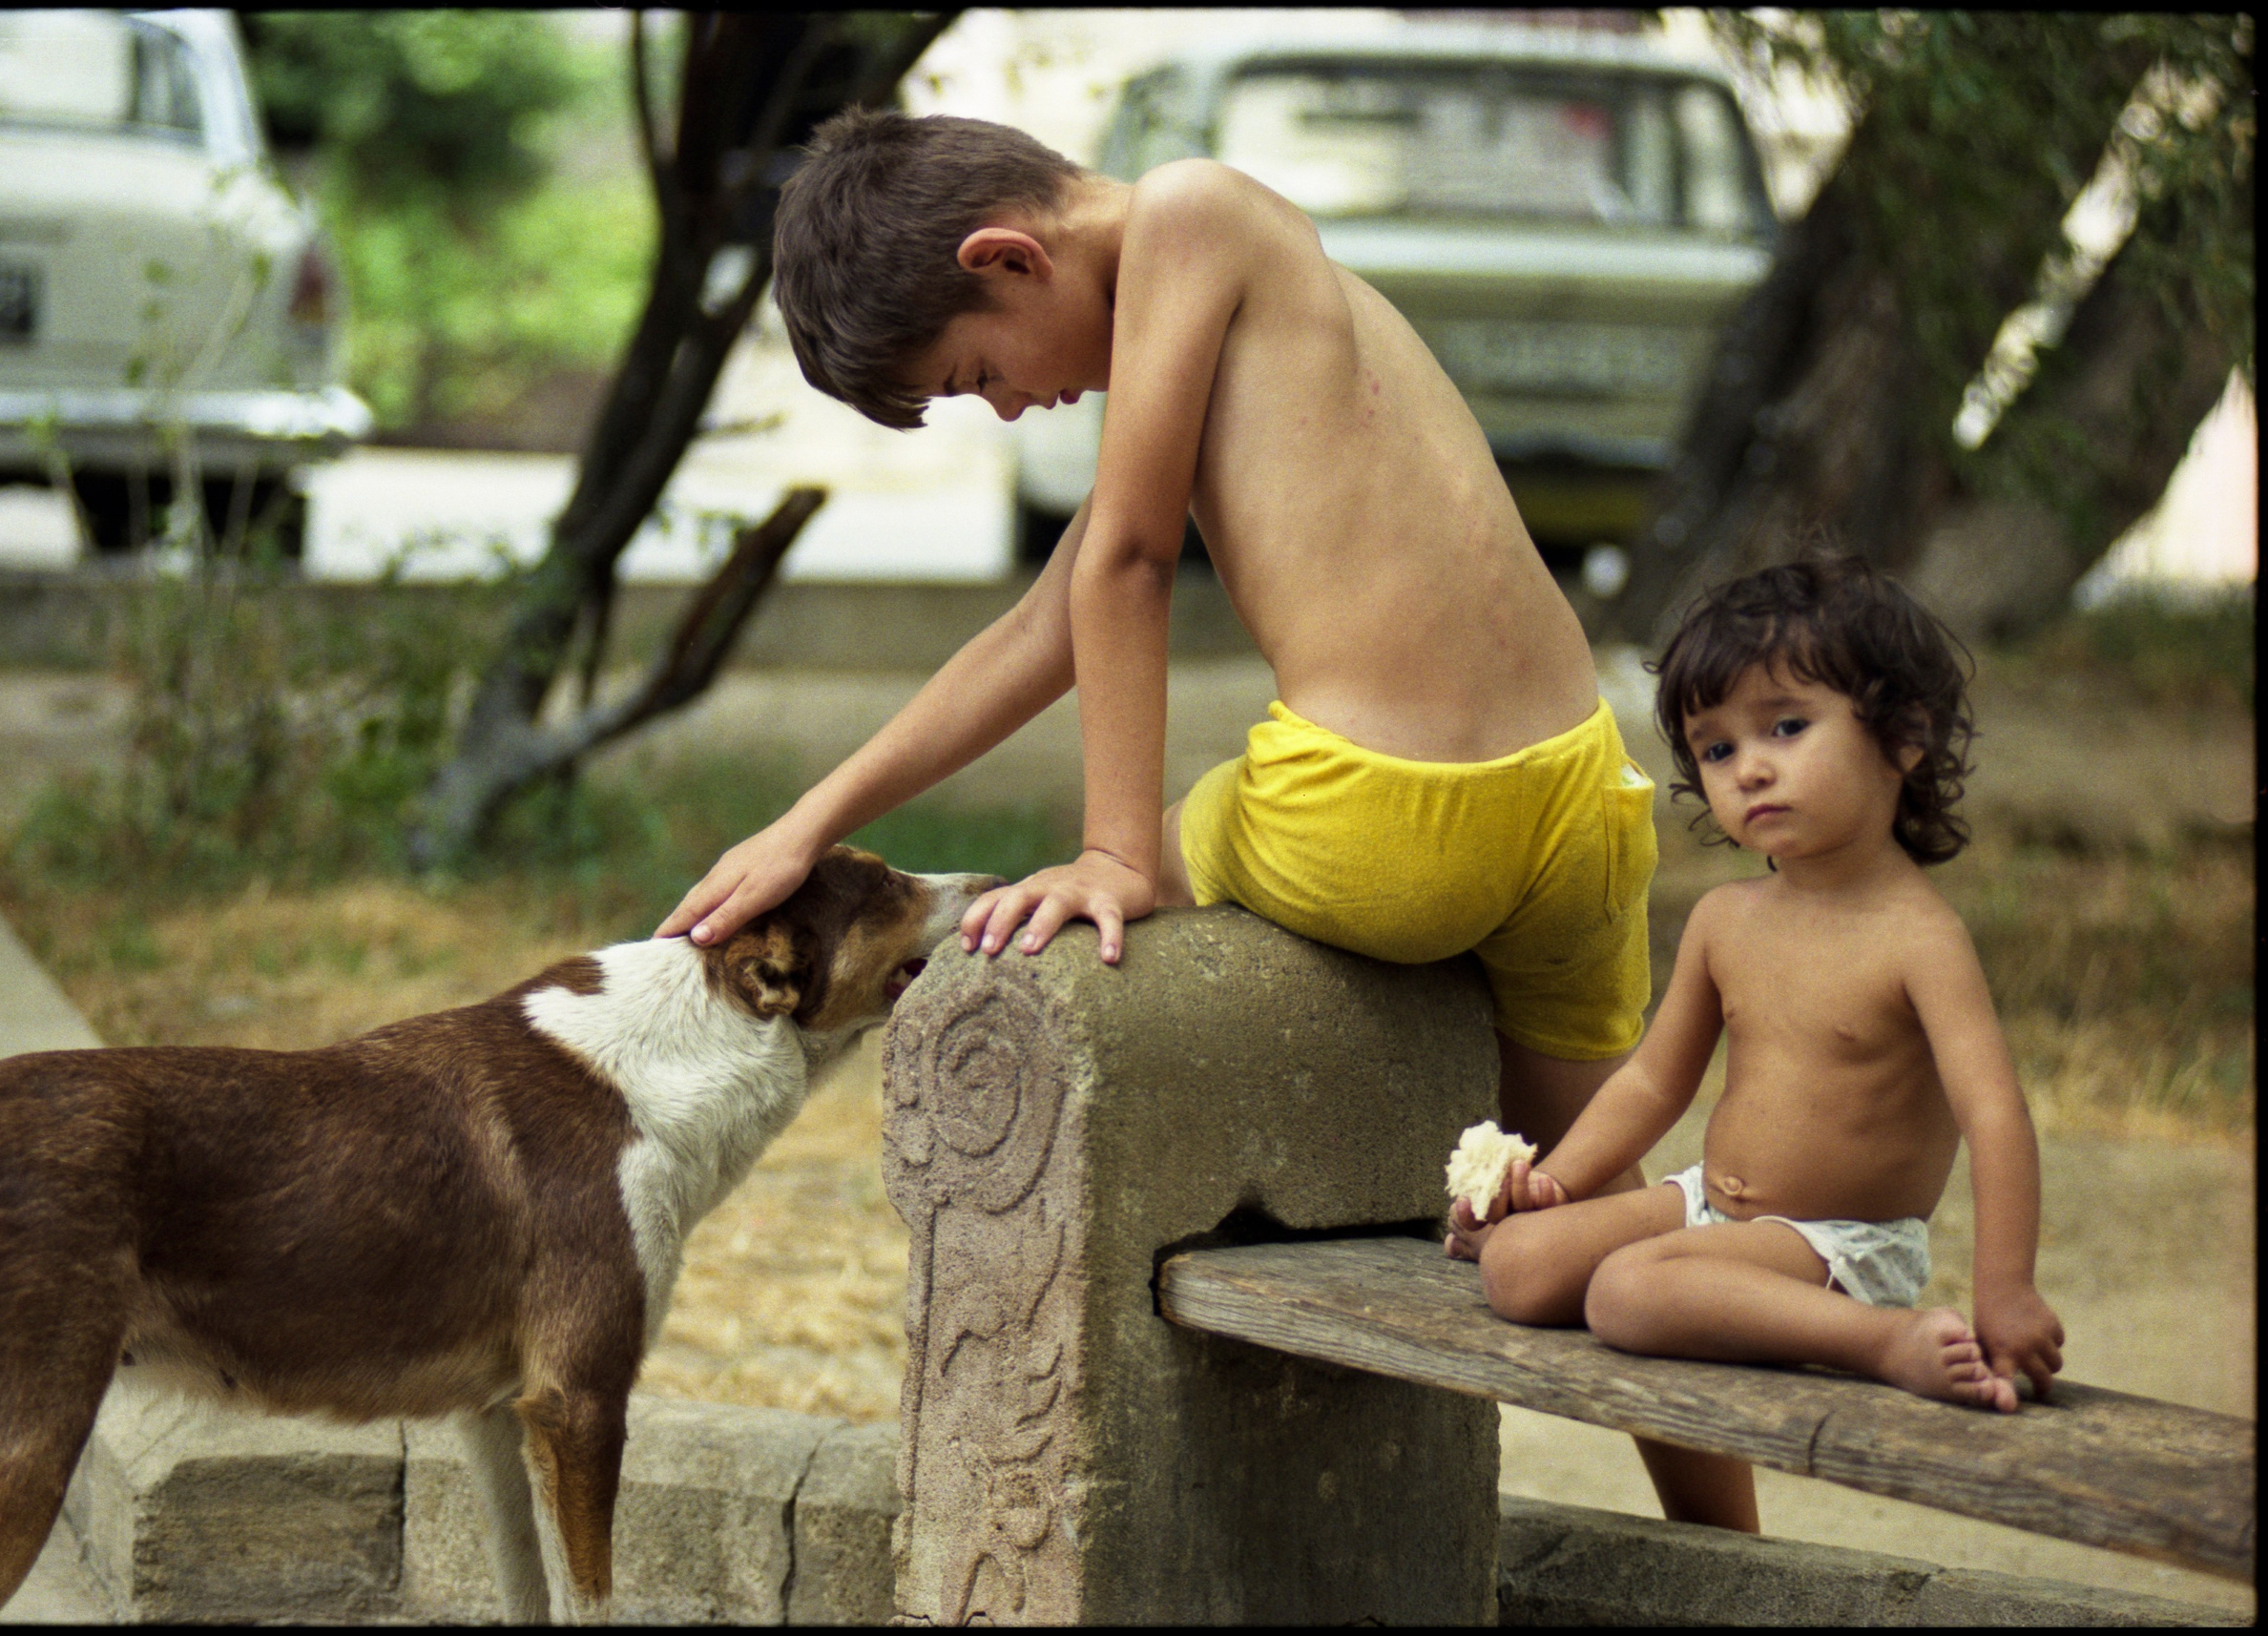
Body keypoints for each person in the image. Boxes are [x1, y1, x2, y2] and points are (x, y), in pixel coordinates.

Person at [655, 105, 1689, 1490]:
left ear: (1011, 258)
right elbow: (1044, 628)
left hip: (1387, 822)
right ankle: (1731, 1549)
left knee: (1045, 897)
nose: (1013, 407)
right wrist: (804, 821)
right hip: (1581, 804)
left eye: (978, 376)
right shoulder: (1252, 269)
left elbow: (1127, 563)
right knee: (1604, 1195)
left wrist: (1113, 849)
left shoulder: (1194, 210)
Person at [1454, 556, 2066, 1533]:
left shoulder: (1917, 938)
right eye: (1715, 746)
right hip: (1709, 1202)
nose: (1749, 765)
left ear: (1902, 737)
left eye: (1786, 725)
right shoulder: (1724, 920)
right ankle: (1683, 1274)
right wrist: (1555, 1184)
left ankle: (1882, 1341)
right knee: (1517, 1267)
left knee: (1623, 1294)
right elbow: (1653, 1080)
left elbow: (1995, 1115)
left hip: (1832, 1244)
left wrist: (2007, 1287)